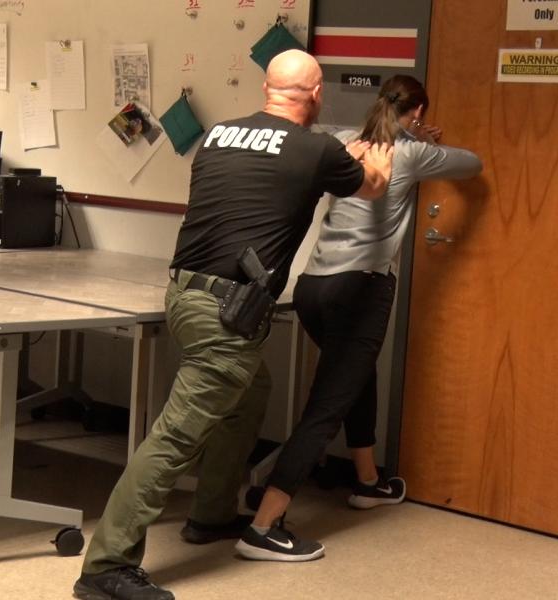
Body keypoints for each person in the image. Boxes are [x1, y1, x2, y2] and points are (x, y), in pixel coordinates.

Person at [73, 49, 394, 600]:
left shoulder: (220, 134)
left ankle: (212, 513)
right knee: (175, 438)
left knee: (250, 391)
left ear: (267, 88)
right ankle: (106, 564)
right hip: (226, 314)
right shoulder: (316, 148)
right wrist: (378, 162)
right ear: (316, 96)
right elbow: (371, 186)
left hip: (185, 296)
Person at [236, 74, 483, 562]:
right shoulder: (409, 152)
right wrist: (418, 138)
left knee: (351, 377)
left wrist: (407, 132)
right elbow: (472, 165)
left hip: (313, 287)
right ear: (415, 114)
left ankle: (368, 482)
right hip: (361, 289)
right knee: (328, 404)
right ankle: (264, 525)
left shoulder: (346, 143)